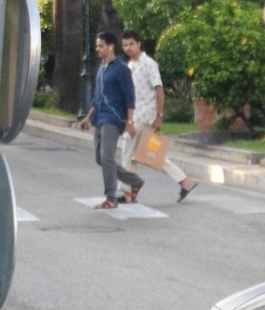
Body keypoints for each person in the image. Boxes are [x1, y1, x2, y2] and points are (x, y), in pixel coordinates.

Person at [117, 30, 197, 203]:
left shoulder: (149, 64)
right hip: (135, 114)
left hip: (145, 116)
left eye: (131, 44)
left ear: (139, 43)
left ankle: (127, 192)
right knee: (148, 153)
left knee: (127, 150)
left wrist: (159, 115)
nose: (128, 48)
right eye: (124, 45)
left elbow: (159, 89)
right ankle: (185, 181)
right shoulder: (130, 65)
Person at [79, 31, 143, 209]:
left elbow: (129, 98)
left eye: (101, 46)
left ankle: (111, 198)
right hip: (99, 117)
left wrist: (129, 122)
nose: (97, 49)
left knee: (107, 158)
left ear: (111, 47)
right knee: (100, 159)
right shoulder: (102, 67)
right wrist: (88, 117)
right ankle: (135, 181)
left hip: (113, 119)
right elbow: (98, 97)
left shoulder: (121, 69)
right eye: (97, 45)